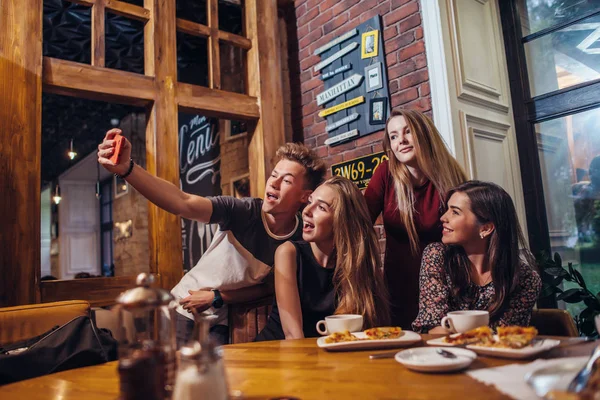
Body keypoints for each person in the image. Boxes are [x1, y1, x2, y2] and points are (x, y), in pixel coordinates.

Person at [98, 129, 326, 345]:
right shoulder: (243, 211)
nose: (273, 183)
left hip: (221, 316)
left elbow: (267, 288)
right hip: (184, 306)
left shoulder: (299, 237)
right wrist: (127, 169)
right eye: (274, 175)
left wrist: (218, 296)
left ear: (305, 196)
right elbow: (182, 202)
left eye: (286, 180)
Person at [364, 109, 467, 328]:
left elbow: (470, 235)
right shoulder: (385, 173)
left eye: (407, 132)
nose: (400, 141)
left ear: (423, 133)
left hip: (447, 284)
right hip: (398, 285)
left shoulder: (451, 175)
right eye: (393, 136)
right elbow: (359, 223)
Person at [255, 176, 390, 341]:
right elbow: (293, 335)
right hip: (276, 353)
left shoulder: (354, 263)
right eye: (310, 201)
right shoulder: (288, 253)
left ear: (341, 221)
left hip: (322, 357)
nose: (306, 211)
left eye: (321, 207)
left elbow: (350, 335)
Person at [412, 181, 542, 333]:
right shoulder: (437, 256)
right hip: (446, 354)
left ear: (486, 228)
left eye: (455, 212)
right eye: (448, 209)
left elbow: (505, 338)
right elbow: (433, 327)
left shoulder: (526, 280)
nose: (443, 218)